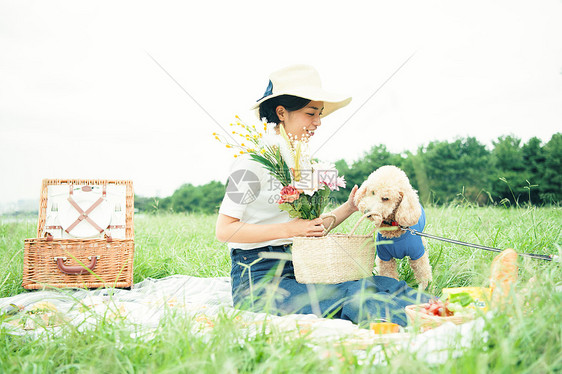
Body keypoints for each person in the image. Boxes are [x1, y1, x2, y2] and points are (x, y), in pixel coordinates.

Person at [215, 64, 429, 327]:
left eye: (320, 114)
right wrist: (289, 229)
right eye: (310, 113)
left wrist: (349, 207)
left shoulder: (302, 163)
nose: (318, 122)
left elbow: (309, 228)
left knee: (381, 284)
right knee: (351, 296)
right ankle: (426, 324)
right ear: (282, 113)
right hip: (256, 277)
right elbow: (225, 230)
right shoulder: (251, 163)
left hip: (299, 265)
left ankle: (444, 309)